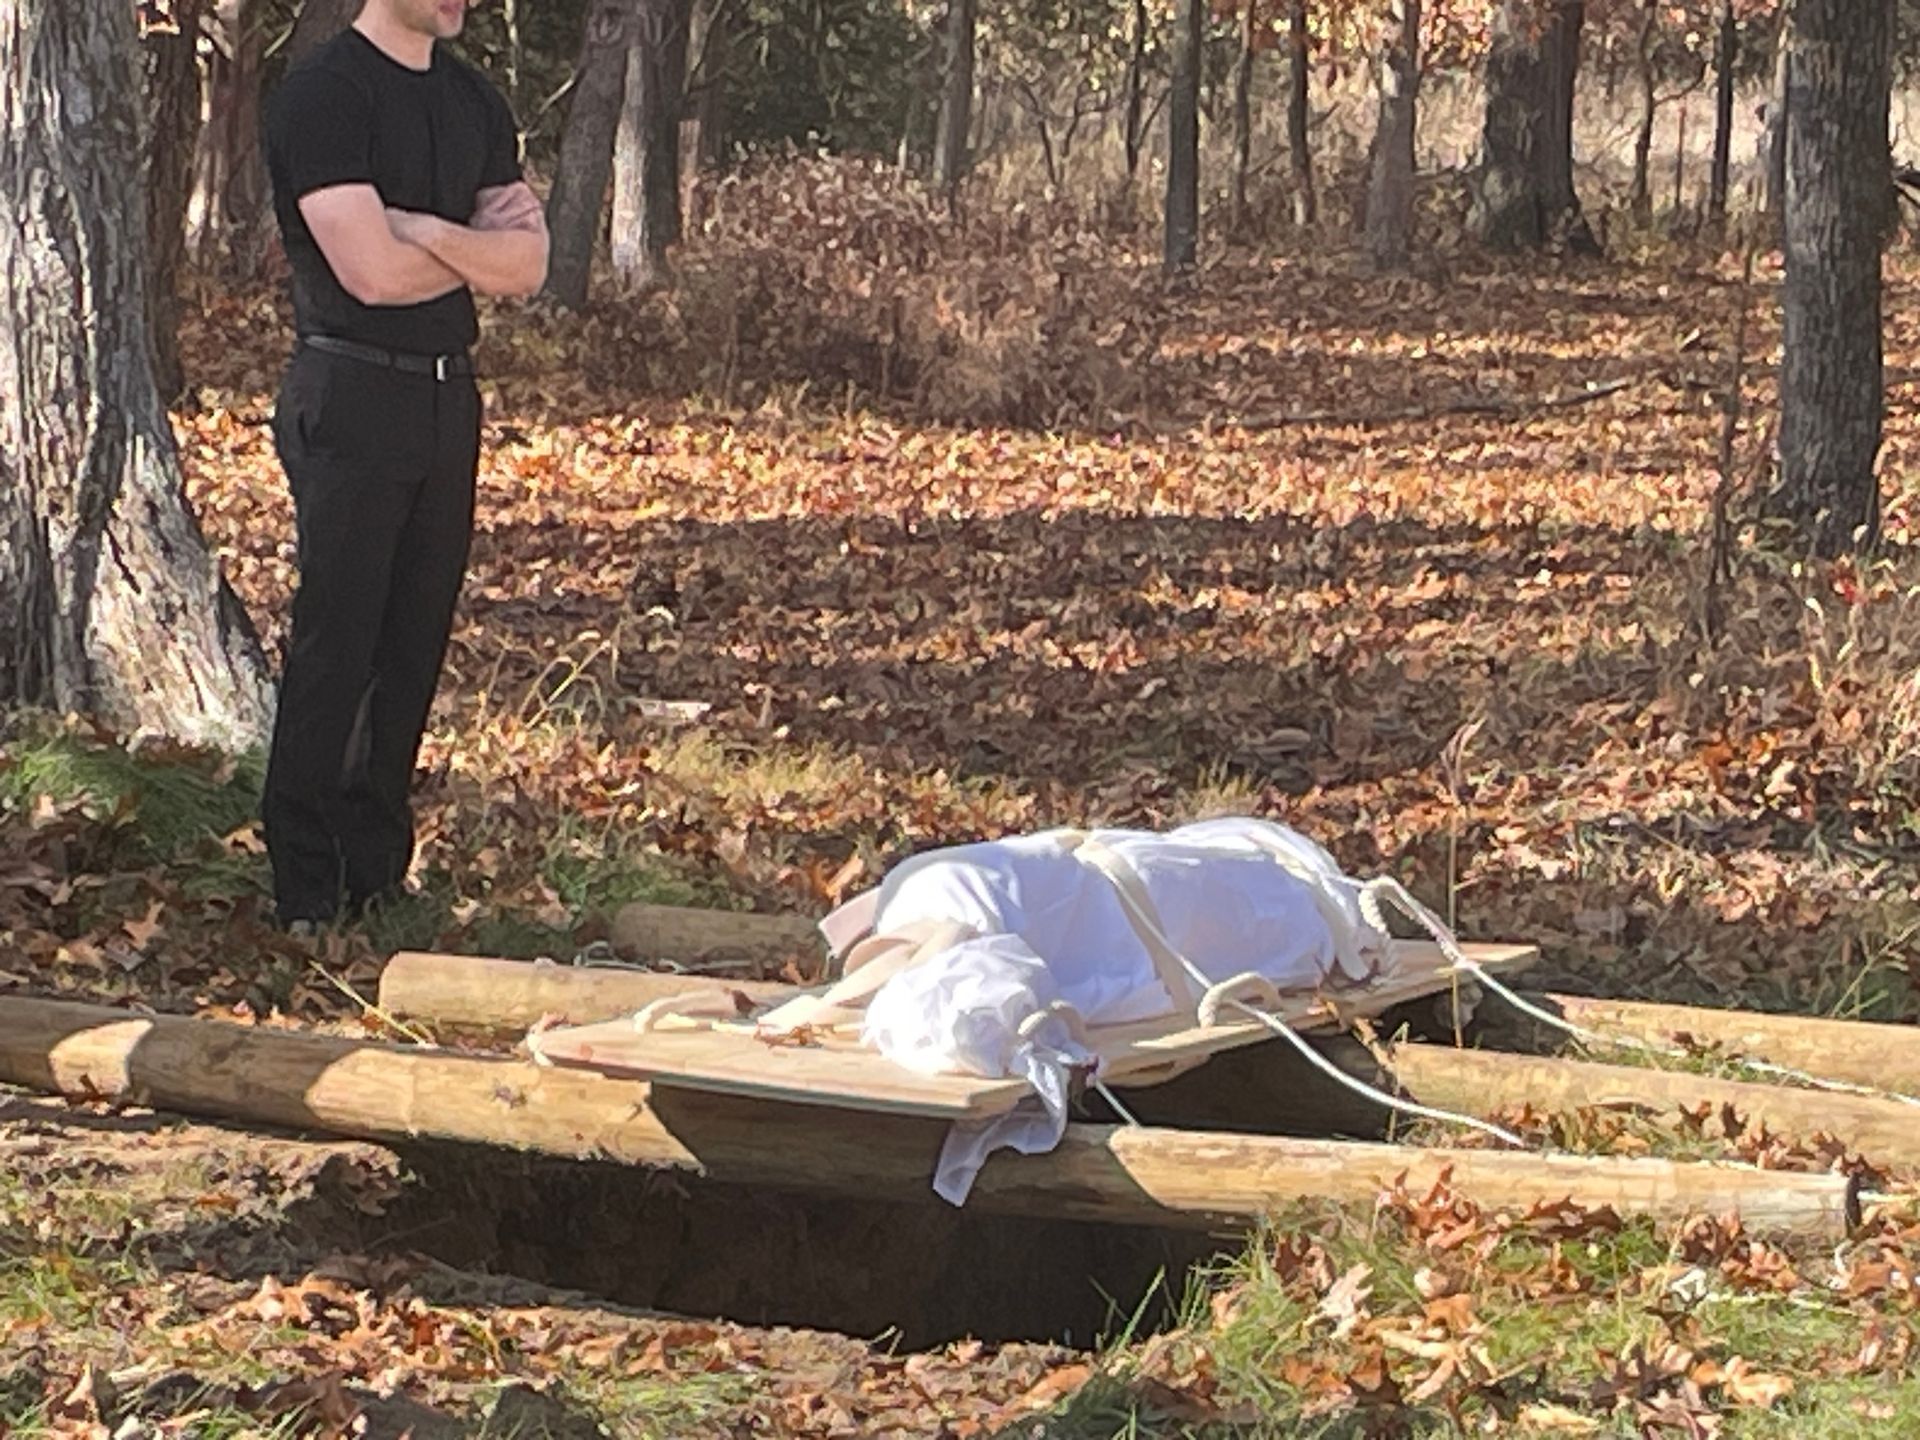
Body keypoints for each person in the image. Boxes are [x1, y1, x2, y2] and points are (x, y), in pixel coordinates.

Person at [260, 0, 548, 932]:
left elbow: (532, 264)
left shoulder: (476, 103)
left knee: (412, 642)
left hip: (444, 397)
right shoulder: (323, 93)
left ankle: (376, 878)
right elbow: (369, 277)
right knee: (337, 643)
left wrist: (426, 232)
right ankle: (306, 888)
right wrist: (470, 251)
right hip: (348, 389)